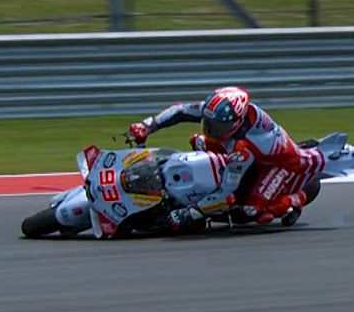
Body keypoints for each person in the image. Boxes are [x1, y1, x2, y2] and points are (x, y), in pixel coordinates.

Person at [128, 86, 307, 229]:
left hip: (277, 163)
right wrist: (147, 125)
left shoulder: (243, 147)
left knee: (250, 211)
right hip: (243, 152)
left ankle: (294, 200)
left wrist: (191, 213)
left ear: (236, 122)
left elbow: (226, 194)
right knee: (198, 142)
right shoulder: (216, 111)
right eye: (209, 123)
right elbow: (180, 110)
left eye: (218, 127)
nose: (211, 130)